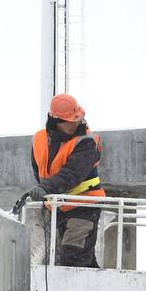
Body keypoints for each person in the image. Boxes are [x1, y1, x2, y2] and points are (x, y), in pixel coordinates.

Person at [27, 93, 106, 268]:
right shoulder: (39, 140)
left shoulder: (87, 142)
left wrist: (45, 188)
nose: (75, 123)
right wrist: (44, 189)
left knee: (73, 256)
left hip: (84, 205)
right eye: (70, 120)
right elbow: (39, 171)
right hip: (58, 207)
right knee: (80, 257)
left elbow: (71, 174)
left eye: (76, 119)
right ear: (56, 121)